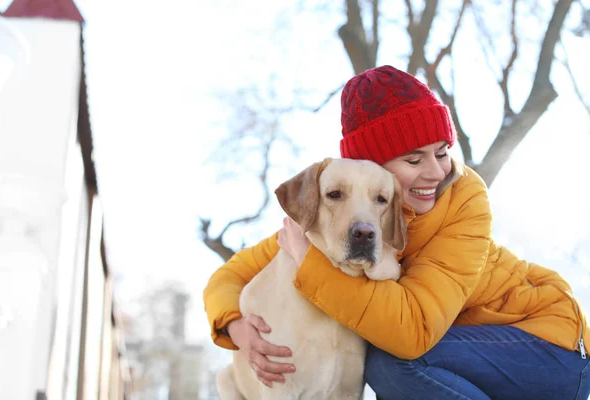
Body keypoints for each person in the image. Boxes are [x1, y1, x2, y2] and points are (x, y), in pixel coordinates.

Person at [203, 65, 590, 399]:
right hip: (465, 360)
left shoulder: (463, 198)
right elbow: (231, 275)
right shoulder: (346, 212)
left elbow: (413, 334)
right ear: (372, 165)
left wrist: (310, 264)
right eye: (413, 158)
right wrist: (237, 327)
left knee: (392, 364)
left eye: (441, 151)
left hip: (547, 347)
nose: (436, 172)